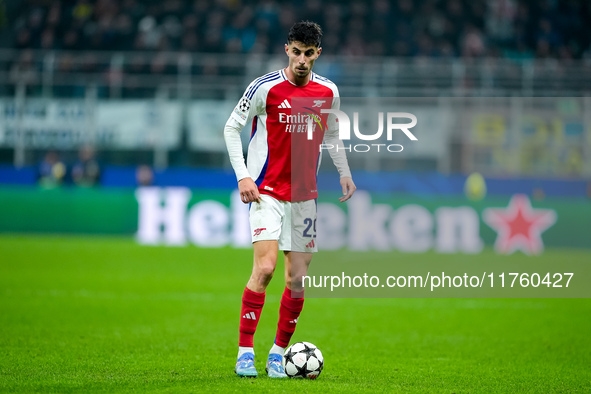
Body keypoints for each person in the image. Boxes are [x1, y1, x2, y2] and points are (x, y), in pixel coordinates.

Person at [223, 21, 356, 378]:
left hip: (305, 199)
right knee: (265, 269)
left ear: (318, 55)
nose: (301, 59)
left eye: (308, 53)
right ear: (287, 50)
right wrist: (243, 175)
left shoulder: (328, 91)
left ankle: (278, 353)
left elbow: (333, 134)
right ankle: (245, 351)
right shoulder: (264, 87)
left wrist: (343, 171)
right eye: (295, 51)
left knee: (296, 280)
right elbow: (231, 128)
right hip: (265, 192)